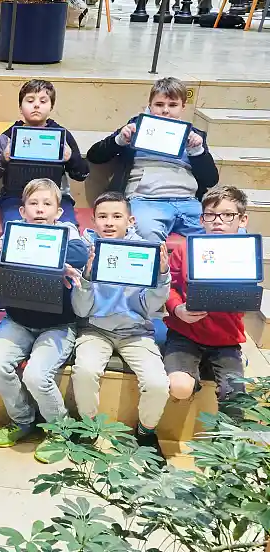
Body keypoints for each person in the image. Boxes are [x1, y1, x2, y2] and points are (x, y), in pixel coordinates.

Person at [0, 178, 88, 464]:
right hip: (18, 319)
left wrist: (35, 254)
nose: (40, 209)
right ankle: (23, 420)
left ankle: (60, 429)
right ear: (22, 210)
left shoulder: (67, 230)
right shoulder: (15, 230)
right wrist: (52, 261)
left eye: (47, 204)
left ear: (58, 212)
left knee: (36, 376)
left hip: (58, 325)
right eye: (33, 203)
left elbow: (79, 254)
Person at [66, 191, 171, 461]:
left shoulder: (144, 251)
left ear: (130, 220)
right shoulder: (85, 250)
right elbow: (81, 310)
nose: (109, 222)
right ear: (93, 220)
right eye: (102, 216)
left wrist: (162, 275)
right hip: (95, 329)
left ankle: (145, 432)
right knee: (85, 372)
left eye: (116, 216)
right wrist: (86, 277)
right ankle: (88, 427)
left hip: (136, 332)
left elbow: (150, 305)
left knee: (158, 383)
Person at [86, 77, 219, 243]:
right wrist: (119, 140)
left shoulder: (194, 135)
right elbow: (95, 156)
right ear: (150, 105)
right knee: (146, 235)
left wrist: (197, 152)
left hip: (188, 201)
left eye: (173, 105)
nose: (165, 110)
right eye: (159, 104)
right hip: (145, 200)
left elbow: (211, 180)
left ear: (183, 107)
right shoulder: (136, 127)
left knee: (226, 230)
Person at [163, 185, 250, 416]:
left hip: (226, 339)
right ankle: (193, 375)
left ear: (242, 220)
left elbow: (246, 297)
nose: (218, 221)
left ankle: (230, 438)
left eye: (227, 215)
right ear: (202, 220)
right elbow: (169, 287)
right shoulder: (185, 249)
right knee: (180, 387)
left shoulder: (247, 253)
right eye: (210, 215)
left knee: (235, 397)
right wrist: (177, 309)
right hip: (185, 333)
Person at [0, 79, 89, 229]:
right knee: (16, 230)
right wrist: (3, 158)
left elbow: (82, 174)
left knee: (67, 230)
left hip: (55, 198)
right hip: (16, 198)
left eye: (43, 101)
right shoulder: (8, 137)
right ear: (20, 107)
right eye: (30, 100)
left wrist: (71, 158)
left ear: (51, 106)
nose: (36, 105)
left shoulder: (62, 136)